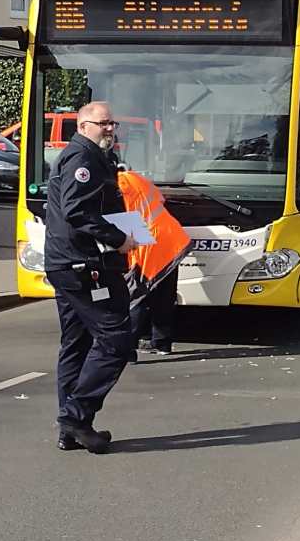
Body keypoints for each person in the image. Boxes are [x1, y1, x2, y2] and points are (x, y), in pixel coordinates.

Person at [44, 101, 137, 454]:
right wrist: (118, 238)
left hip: (67, 263)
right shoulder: (82, 158)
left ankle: (71, 429)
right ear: (83, 126)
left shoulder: (85, 155)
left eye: (113, 123)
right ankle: (76, 416)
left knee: (77, 344)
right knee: (116, 338)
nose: (110, 129)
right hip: (83, 265)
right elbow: (76, 210)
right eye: (103, 124)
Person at [117, 169, 191, 355]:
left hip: (147, 241)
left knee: (137, 295)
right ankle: (162, 343)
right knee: (164, 295)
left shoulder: (115, 186)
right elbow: (160, 200)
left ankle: (128, 347)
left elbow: (118, 218)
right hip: (172, 238)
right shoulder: (135, 177)